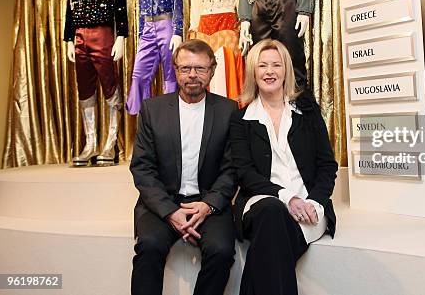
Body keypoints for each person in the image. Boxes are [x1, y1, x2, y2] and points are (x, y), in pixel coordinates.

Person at [130, 39, 238, 295]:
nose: (192, 75)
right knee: (149, 247)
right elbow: (142, 168)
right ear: (175, 70)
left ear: (212, 70)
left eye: (200, 69)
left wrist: (209, 204)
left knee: (222, 252)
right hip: (162, 203)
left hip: (207, 203)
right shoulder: (152, 109)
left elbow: (232, 168)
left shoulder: (228, 110)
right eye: (185, 68)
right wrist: (170, 212)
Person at [230, 39, 338, 295]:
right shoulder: (241, 118)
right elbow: (245, 173)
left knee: (270, 245)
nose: (270, 72)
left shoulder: (308, 111)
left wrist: (315, 203)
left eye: (276, 65)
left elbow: (327, 165)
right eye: (263, 65)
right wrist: (288, 198)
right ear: (252, 72)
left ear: (286, 70)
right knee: (272, 211)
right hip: (261, 201)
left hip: (309, 207)